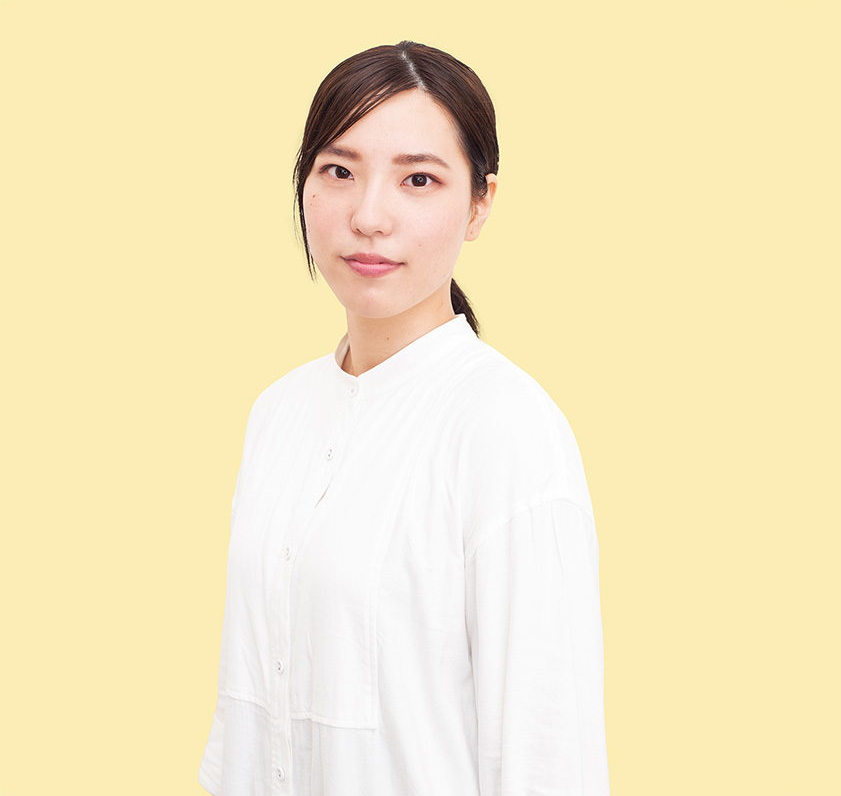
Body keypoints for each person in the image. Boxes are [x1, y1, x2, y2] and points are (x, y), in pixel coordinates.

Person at [199, 40, 610, 795]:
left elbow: (549, 757)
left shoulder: (507, 431)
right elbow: (249, 713)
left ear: (480, 202)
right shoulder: (279, 413)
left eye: (418, 179)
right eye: (339, 171)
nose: (368, 216)